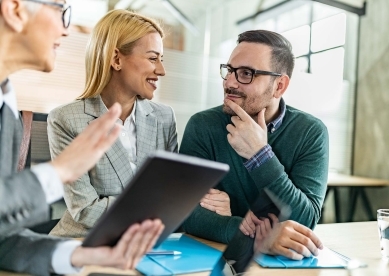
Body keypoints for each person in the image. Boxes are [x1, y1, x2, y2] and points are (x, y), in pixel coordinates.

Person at [0, 0, 163, 275]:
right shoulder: (58, 118)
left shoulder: (8, 113)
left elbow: (3, 241)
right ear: (15, 10)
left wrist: (83, 255)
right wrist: (58, 172)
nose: (66, 30)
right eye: (60, 10)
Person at [180, 30, 329, 256]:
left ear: (279, 86)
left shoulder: (311, 132)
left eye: (246, 74)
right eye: (229, 70)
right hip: (213, 259)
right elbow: (185, 213)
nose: (229, 82)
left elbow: (304, 223)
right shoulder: (203, 126)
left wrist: (260, 156)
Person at [47, 9, 177, 238]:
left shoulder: (164, 118)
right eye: (152, 58)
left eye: (162, 59)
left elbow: (171, 196)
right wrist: (150, 209)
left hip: (147, 243)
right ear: (116, 59)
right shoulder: (65, 120)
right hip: (81, 241)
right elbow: (86, 210)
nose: (161, 70)